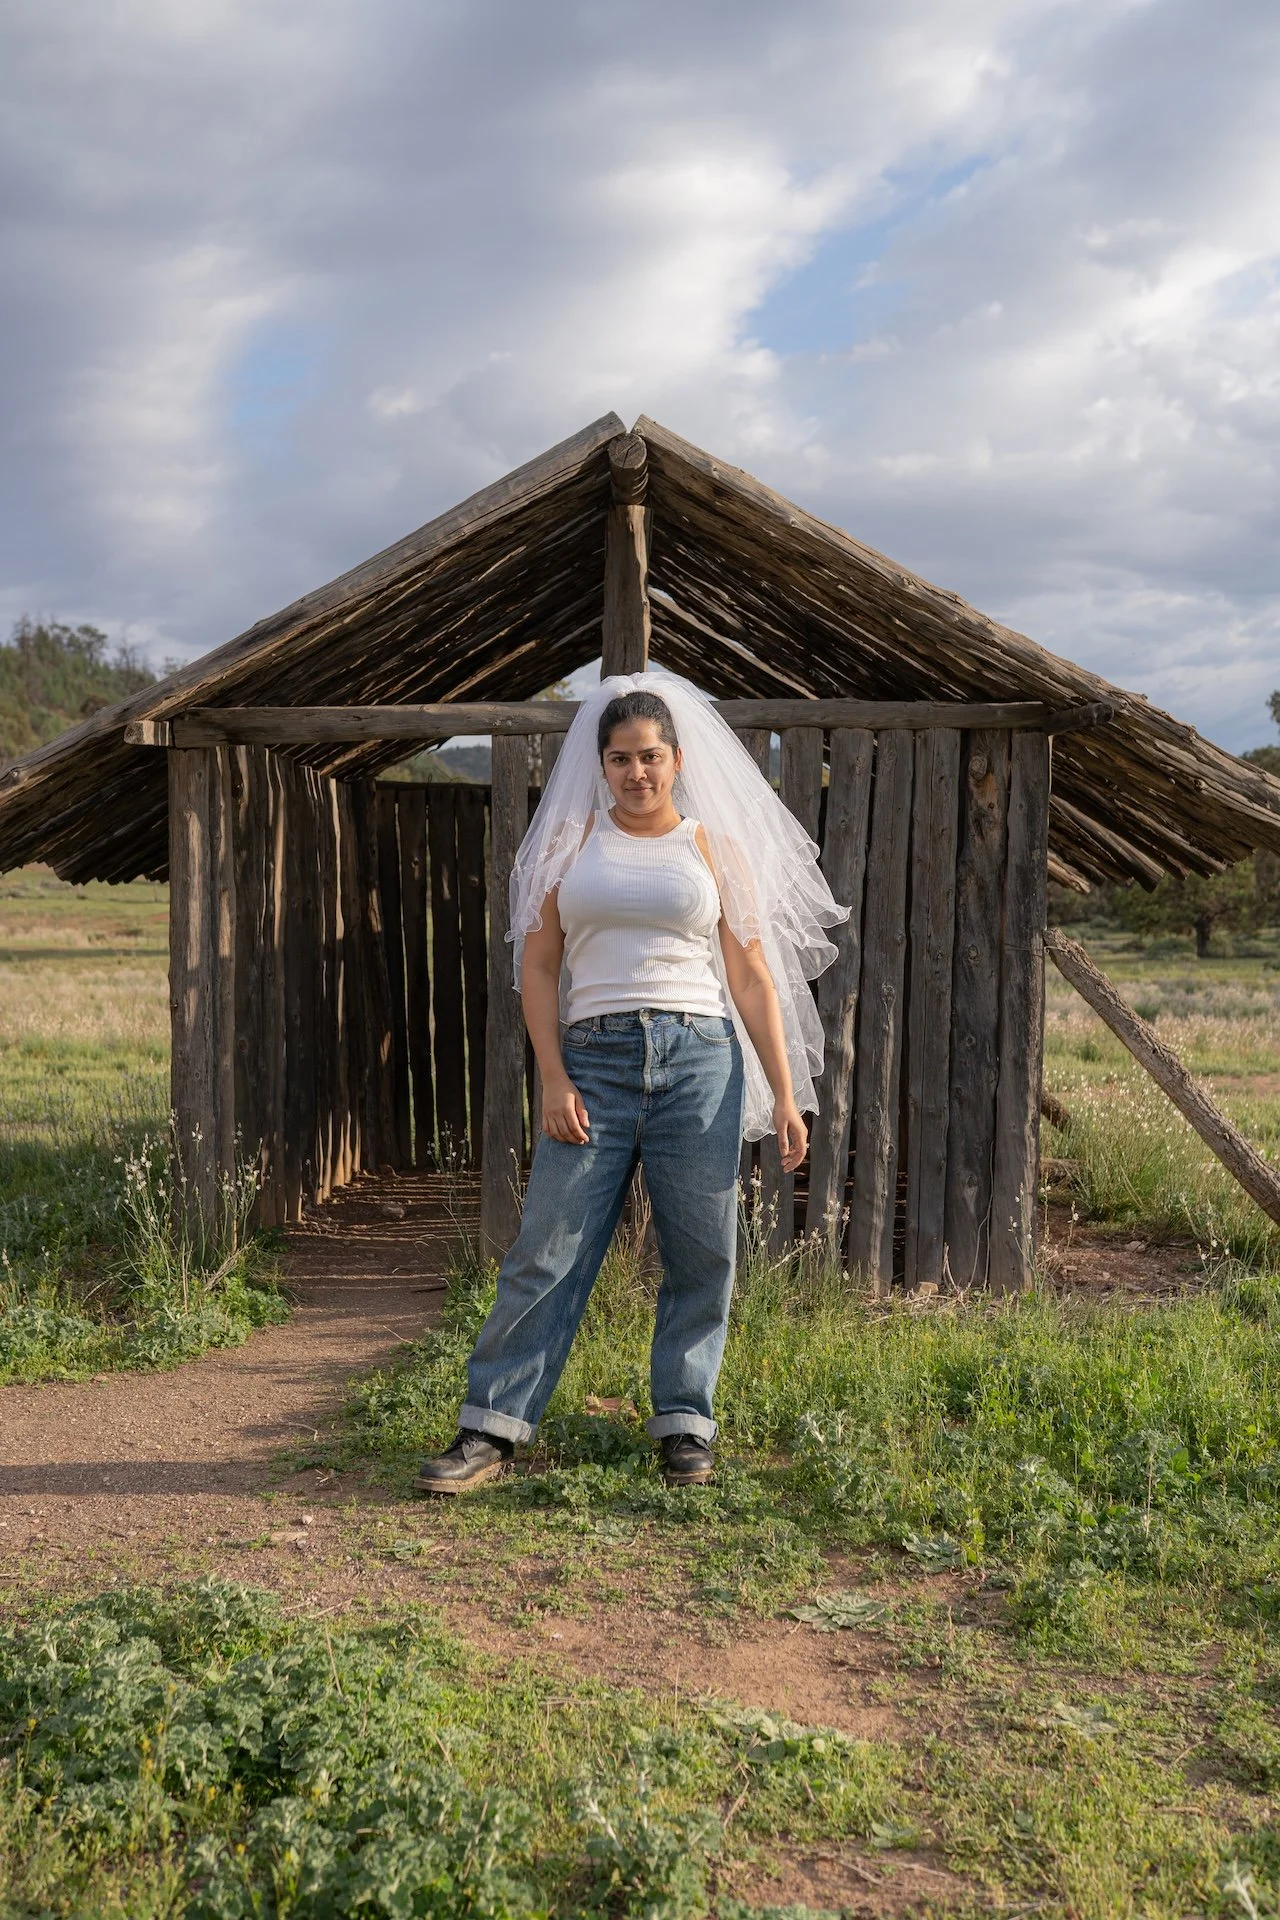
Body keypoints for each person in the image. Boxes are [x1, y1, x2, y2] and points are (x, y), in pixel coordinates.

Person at [413, 668, 848, 1494]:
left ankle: (685, 1423)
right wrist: (552, 1076)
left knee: (702, 1251)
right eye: (620, 758)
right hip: (594, 1062)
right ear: (601, 765)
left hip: (700, 1061)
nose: (636, 772)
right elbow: (539, 968)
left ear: (677, 760)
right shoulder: (569, 845)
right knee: (547, 1249)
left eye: (650, 756)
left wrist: (787, 1095)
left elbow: (751, 976)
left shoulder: (714, 848)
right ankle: (490, 1429)